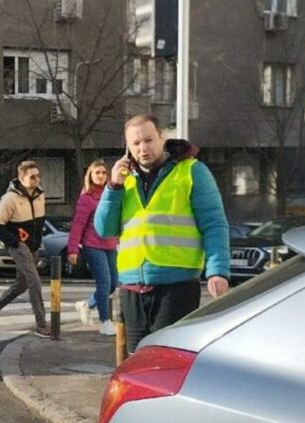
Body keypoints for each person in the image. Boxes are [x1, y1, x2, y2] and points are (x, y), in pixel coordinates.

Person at [94, 114, 230, 353]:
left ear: (162, 138)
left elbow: (214, 224)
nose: (143, 148)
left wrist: (217, 271)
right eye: (135, 144)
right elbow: (104, 229)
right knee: (137, 364)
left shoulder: (191, 171)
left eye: (148, 140)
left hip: (175, 287)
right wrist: (113, 186)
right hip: (132, 287)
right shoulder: (123, 179)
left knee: (166, 361)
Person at [0, 160, 49, 338]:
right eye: (32, 177)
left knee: (21, 284)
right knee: (34, 282)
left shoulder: (40, 194)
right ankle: (42, 324)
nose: (37, 180)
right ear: (22, 178)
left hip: (33, 244)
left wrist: (37, 240)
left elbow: (40, 221)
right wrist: (14, 242)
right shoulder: (9, 199)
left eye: (38, 176)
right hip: (18, 245)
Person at [67, 160, 119, 337]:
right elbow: (77, 225)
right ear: (90, 175)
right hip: (92, 245)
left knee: (113, 284)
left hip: (111, 244)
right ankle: (105, 321)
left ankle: (87, 304)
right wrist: (73, 249)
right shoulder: (86, 198)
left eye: (104, 173)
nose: (101, 176)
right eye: (97, 172)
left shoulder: (110, 193)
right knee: (104, 283)